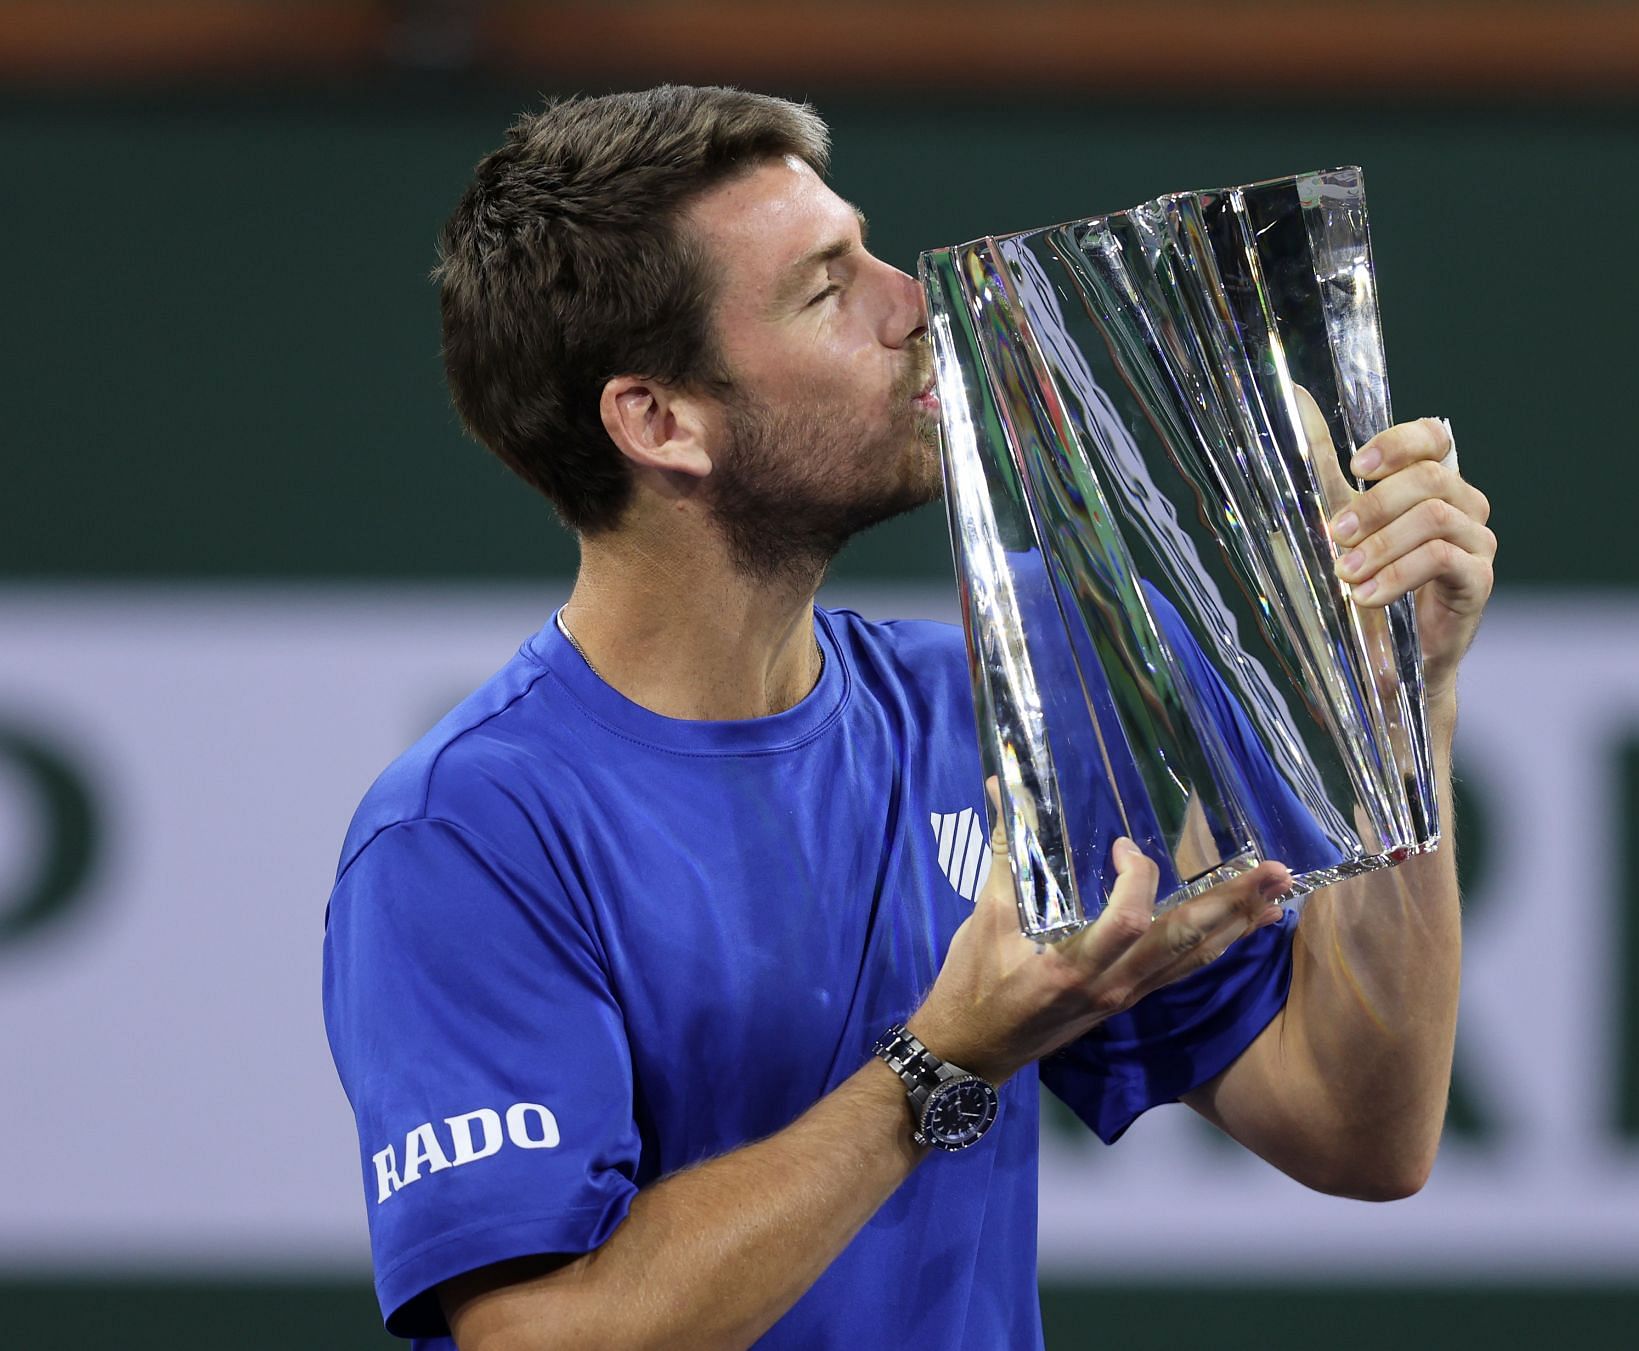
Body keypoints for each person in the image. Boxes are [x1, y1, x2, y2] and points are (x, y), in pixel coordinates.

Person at [321, 85, 1496, 1351]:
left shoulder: (1010, 696)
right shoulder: (466, 831)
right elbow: (539, 1338)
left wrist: (1399, 694)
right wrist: (939, 1065)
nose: (915, 303)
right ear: (661, 421)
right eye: (829, 290)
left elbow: (1361, 1130)